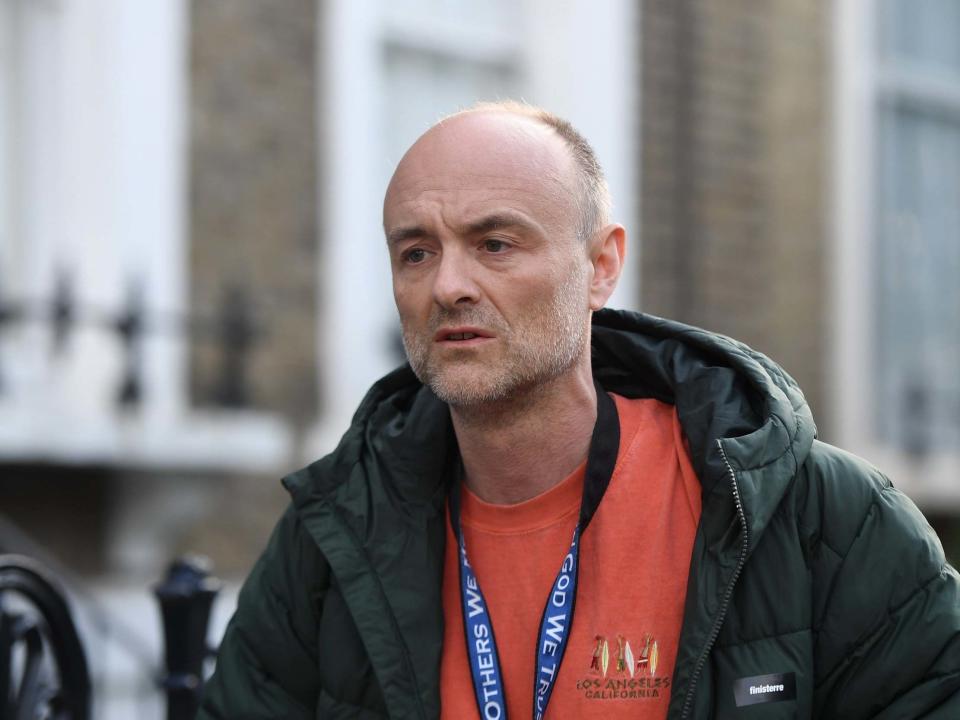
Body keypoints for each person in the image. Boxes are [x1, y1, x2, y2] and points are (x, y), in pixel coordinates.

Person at [198, 102, 960, 719]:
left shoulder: (814, 515)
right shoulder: (331, 539)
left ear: (601, 267)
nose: (447, 286)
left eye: (494, 244)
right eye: (416, 252)